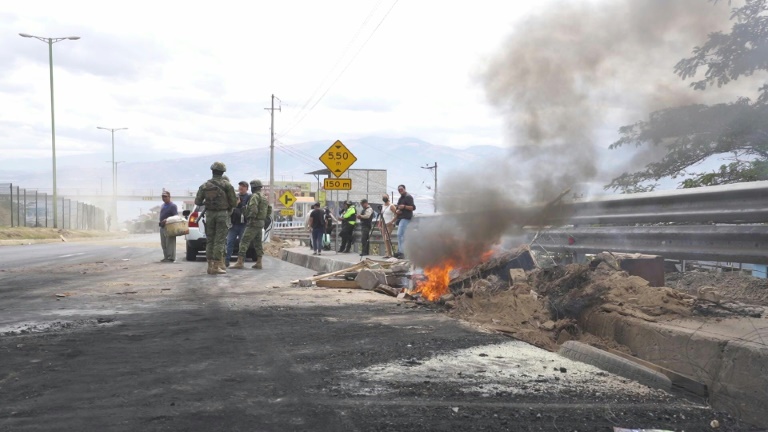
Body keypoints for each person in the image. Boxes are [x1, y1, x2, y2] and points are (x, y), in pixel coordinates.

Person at [195, 162, 237, 275]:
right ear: (223, 172)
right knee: (219, 240)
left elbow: (197, 202)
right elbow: (234, 202)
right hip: (222, 215)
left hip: (209, 214)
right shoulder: (227, 185)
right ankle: (216, 266)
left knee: (210, 240)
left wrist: (208, 202)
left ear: (212, 171)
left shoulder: (205, 185)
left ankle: (209, 266)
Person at [232, 179, 269, 270]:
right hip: (260, 222)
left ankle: (240, 262)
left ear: (253, 187)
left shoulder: (255, 196)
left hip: (253, 222)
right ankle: (259, 262)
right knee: (257, 242)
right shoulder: (264, 197)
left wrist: (250, 217)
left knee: (244, 241)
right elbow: (269, 210)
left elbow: (253, 209)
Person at [225, 181, 251, 267]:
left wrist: (240, 204)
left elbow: (249, 208)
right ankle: (226, 261)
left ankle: (240, 262)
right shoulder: (235, 196)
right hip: (233, 224)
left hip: (243, 224)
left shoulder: (249, 197)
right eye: (240, 186)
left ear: (247, 188)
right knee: (229, 243)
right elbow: (230, 207)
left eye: (243, 186)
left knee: (242, 244)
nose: (241, 188)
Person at [395, 184, 416, 258]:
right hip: (401, 218)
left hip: (406, 218)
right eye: (399, 189)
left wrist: (404, 207)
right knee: (401, 235)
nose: (400, 190)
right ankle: (401, 251)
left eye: (401, 189)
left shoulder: (408, 197)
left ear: (404, 189)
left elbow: (413, 207)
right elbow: (397, 207)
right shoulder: (401, 198)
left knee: (400, 234)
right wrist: (397, 210)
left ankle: (402, 252)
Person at [158, 191, 179, 262]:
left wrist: (167, 219)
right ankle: (166, 257)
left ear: (169, 197)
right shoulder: (163, 205)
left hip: (169, 227)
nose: (164, 198)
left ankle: (171, 258)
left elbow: (176, 216)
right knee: (163, 243)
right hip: (162, 226)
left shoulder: (173, 206)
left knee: (170, 243)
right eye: (163, 197)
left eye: (165, 196)